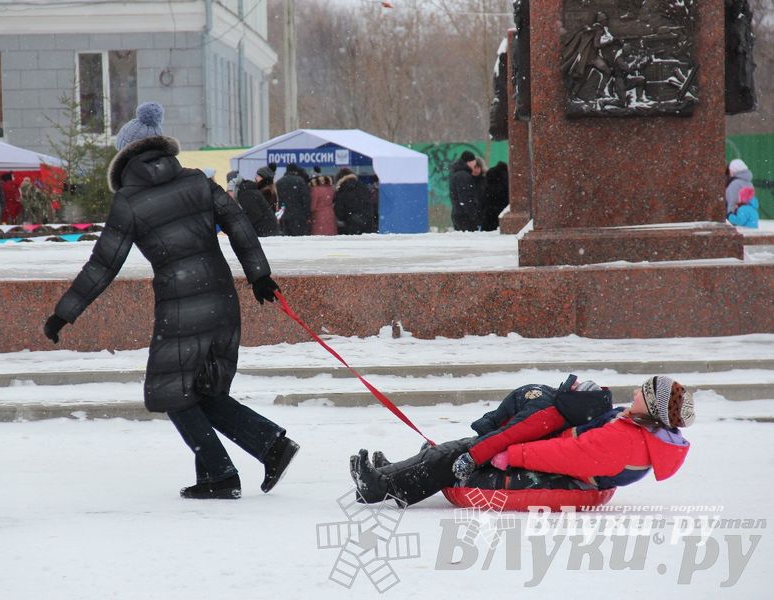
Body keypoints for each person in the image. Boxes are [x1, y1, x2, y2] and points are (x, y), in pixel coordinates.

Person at [42, 102, 299, 500]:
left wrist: (64, 313)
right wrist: (259, 275)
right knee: (203, 392)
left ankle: (226, 470)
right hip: (222, 300)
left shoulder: (129, 201)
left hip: (181, 307)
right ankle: (265, 449)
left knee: (170, 391)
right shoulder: (197, 181)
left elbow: (103, 264)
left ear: (125, 156)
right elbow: (239, 223)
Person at [350, 375, 694, 506]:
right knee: (464, 447)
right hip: (559, 461)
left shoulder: (627, 441)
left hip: (560, 474)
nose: (635, 391)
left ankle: (380, 486)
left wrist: (512, 454)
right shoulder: (634, 428)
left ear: (652, 407)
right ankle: (392, 473)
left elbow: (567, 454)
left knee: (459, 459)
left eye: (642, 392)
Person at [448, 151, 485, 231]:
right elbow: (466, 198)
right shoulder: (464, 176)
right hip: (465, 217)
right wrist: (474, 216)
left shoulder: (458, 173)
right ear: (470, 162)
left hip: (460, 214)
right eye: (474, 163)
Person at [334, 167, 376, 235]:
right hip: (368, 221)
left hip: (352, 224)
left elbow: (339, 211)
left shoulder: (342, 189)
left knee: (354, 244)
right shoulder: (363, 186)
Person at [276, 163, 312, 236]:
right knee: (298, 240)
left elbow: (276, 200)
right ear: (296, 171)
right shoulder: (300, 181)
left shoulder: (279, 182)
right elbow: (306, 199)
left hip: (284, 216)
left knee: (285, 240)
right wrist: (307, 215)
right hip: (298, 216)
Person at [308, 166, 338, 236]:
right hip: (330, 215)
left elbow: (313, 207)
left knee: (319, 239)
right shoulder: (330, 188)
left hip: (319, 217)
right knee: (330, 237)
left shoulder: (315, 189)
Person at [481, 161, 509, 232]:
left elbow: (485, 190)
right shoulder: (506, 175)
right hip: (502, 208)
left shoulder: (490, 172)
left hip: (489, 209)